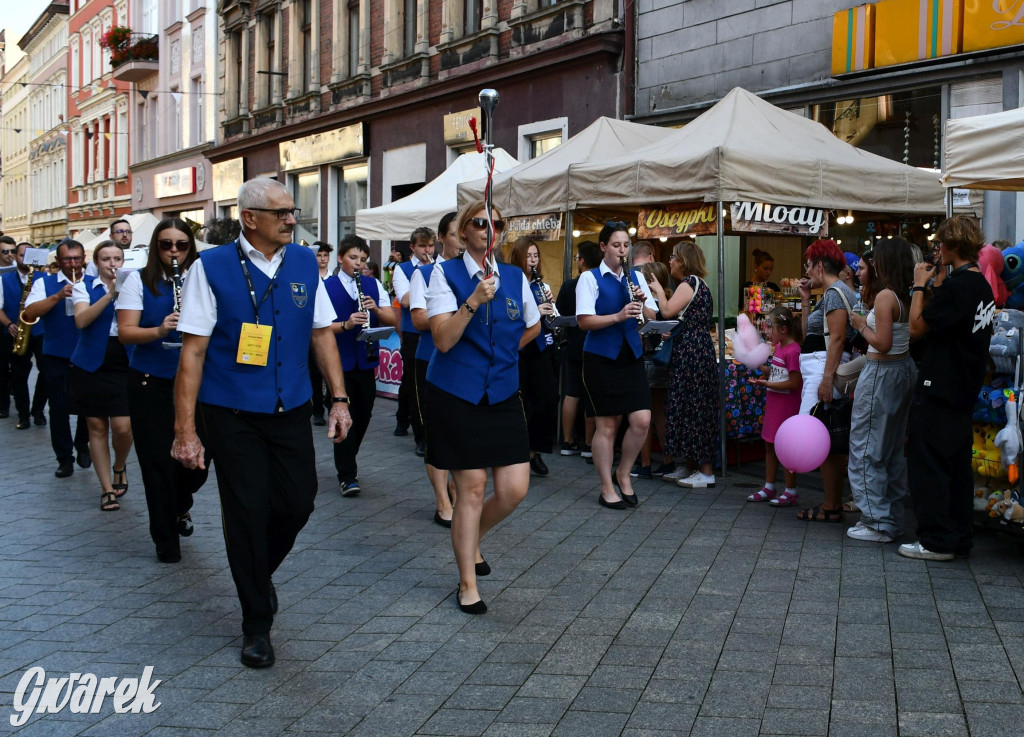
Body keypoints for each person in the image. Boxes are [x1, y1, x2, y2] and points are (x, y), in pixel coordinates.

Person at [172, 178, 352, 668]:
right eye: (282, 213)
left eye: (293, 211)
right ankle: (256, 623)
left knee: (298, 501)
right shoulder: (208, 269)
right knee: (247, 512)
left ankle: (256, 571)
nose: (292, 220)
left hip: (290, 405)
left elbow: (322, 334)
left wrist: (339, 398)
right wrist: (185, 432)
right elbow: (193, 355)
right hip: (230, 411)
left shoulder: (303, 263)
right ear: (249, 217)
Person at [424, 199, 539, 614]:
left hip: (503, 393)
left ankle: (473, 538)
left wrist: (505, 356)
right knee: (471, 488)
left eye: (496, 223)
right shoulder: (445, 273)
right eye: (478, 223)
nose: (488, 229)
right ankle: (467, 583)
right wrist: (472, 301)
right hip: (455, 393)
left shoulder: (513, 276)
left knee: (513, 489)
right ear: (463, 230)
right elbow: (443, 339)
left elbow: (532, 324)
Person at [901, 216, 994, 561]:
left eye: (941, 243)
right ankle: (958, 537)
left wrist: (920, 286)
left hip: (939, 385)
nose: (937, 249)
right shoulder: (981, 286)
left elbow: (915, 328)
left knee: (930, 465)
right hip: (964, 387)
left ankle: (936, 540)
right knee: (956, 468)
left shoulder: (958, 287)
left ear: (953, 245)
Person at [117, 219, 210, 560]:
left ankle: (180, 503)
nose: (174, 251)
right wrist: (160, 329)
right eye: (166, 244)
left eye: (181, 245)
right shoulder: (137, 281)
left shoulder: (202, 278)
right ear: (156, 247)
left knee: (202, 458)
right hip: (151, 381)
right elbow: (126, 332)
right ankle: (165, 541)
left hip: (199, 380)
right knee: (157, 463)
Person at [577, 221, 657, 509]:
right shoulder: (590, 279)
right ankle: (606, 486)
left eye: (626, 245)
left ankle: (624, 472)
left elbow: (650, 317)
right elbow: (584, 321)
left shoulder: (635, 276)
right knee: (607, 426)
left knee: (641, 420)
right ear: (603, 247)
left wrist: (643, 303)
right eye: (616, 245)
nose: (622, 250)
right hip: (600, 357)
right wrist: (619, 315)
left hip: (631, 355)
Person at [845, 239, 916, 543]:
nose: (871, 264)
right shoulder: (905, 295)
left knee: (866, 446)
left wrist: (861, 324)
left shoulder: (886, 296)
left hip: (882, 372)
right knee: (890, 450)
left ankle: (876, 521)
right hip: (901, 370)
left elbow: (882, 342)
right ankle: (890, 517)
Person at [324, 234, 396, 496]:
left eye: (363, 260)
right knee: (344, 415)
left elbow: (393, 318)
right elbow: (319, 329)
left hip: (366, 362)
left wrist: (375, 309)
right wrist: (347, 324)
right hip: (338, 363)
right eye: (353, 258)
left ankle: (347, 457)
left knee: (363, 415)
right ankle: (347, 475)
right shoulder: (326, 286)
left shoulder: (373, 284)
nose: (358, 264)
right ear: (341, 258)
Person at [794, 239, 857, 522]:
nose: (807, 270)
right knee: (827, 433)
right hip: (819, 367)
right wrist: (806, 301)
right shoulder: (830, 294)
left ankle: (831, 503)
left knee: (824, 435)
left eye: (809, 264)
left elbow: (838, 339)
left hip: (823, 369)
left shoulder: (834, 293)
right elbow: (810, 334)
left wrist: (827, 379)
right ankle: (831, 501)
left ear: (820, 266)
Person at [69, 241, 133, 512]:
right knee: (96, 427)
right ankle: (106, 488)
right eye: (106, 259)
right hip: (90, 363)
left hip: (123, 360)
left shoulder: (135, 285)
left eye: (116, 258)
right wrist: (109, 294)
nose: (112, 264)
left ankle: (120, 465)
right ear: (96, 263)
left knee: (123, 427)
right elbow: (81, 320)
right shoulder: (84, 286)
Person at [649, 241, 719, 488]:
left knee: (696, 408)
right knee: (690, 407)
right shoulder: (699, 285)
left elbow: (667, 311)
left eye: (673, 258)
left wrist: (658, 288)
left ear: (683, 261)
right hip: (695, 350)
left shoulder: (689, 283)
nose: (670, 262)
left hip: (692, 354)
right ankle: (691, 466)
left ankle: (705, 470)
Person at [22, 239, 91, 477]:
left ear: (84, 259)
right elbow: (29, 313)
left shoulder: (93, 282)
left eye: (77, 259)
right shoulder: (45, 283)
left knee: (89, 404)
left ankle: (82, 443)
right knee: (58, 408)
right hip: (56, 355)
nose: (73, 263)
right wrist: (57, 297)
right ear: (58, 261)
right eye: (67, 259)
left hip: (87, 353)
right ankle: (64, 458)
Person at [410, 211, 459, 527]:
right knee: (436, 433)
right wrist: (453, 318)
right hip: (430, 359)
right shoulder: (425, 274)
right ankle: (442, 501)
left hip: (461, 360)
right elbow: (416, 319)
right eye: (455, 233)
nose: (461, 239)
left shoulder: (475, 275)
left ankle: (456, 489)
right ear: (442, 238)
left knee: (460, 432)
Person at [508, 238, 559, 476]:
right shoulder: (509, 283)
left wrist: (552, 309)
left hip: (539, 347)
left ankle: (535, 450)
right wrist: (535, 311)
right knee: (520, 401)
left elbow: (549, 319)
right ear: (518, 257)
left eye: (535, 256)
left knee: (546, 398)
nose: (533, 261)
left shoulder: (541, 285)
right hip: (518, 347)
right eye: (528, 256)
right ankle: (517, 451)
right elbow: (508, 317)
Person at [749, 306, 803, 503]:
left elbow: (795, 382)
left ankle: (791, 490)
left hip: (787, 407)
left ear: (783, 329)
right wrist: (762, 368)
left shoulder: (793, 350)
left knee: (786, 448)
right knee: (769, 445)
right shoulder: (779, 348)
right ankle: (769, 486)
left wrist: (768, 383)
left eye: (770, 328)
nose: (767, 332)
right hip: (774, 404)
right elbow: (777, 372)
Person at [556, 241, 600, 459]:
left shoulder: (569, 285)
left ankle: (567, 441)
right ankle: (589, 445)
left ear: (582, 260)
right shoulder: (601, 283)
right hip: (594, 343)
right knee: (591, 395)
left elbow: (559, 314)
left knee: (571, 394)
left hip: (573, 343)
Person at [393, 227, 435, 451]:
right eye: (422, 246)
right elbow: (406, 300)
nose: (427, 250)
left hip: (435, 329)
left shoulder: (440, 266)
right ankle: (416, 431)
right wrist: (425, 274)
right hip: (413, 332)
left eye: (430, 246)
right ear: (412, 247)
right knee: (412, 382)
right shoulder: (403, 269)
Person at [634, 261, 676, 478]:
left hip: (647, 359)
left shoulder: (647, 303)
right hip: (663, 361)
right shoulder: (669, 301)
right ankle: (667, 460)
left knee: (644, 414)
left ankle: (646, 463)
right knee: (659, 412)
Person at [0, 241, 48, 428]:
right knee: (19, 375)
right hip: (17, 331)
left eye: (29, 255)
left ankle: (38, 410)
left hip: (41, 331)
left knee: (45, 372)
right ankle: (23, 414)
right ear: (15, 257)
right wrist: (9, 324)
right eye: (22, 255)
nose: (25, 259)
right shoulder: (4, 279)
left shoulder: (45, 277)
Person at [309, 241, 334, 426]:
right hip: (313, 332)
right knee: (315, 374)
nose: (323, 258)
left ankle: (329, 401)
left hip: (333, 328)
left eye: (325, 255)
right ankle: (317, 410)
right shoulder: (309, 277)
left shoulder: (335, 277)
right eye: (319, 255)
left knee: (330, 370)